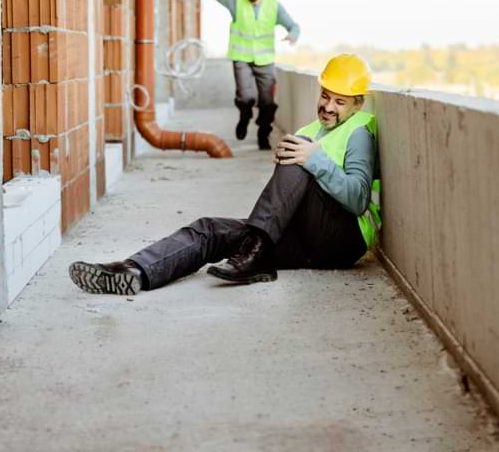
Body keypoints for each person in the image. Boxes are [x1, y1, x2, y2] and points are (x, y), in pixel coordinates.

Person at [68, 53, 381, 294]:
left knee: (299, 150)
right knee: (209, 231)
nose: (328, 106)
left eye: (339, 102)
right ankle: (133, 271)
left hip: (342, 240)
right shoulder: (312, 129)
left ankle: (254, 250)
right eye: (325, 96)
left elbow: (357, 200)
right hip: (304, 238)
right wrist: (292, 164)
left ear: (357, 103)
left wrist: (312, 160)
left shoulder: (358, 133)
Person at [206, 0, 300, 150]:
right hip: (241, 58)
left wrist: (293, 35)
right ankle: (244, 116)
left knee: (267, 103)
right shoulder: (235, 1)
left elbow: (293, 25)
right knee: (246, 97)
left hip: (265, 62)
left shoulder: (273, 6)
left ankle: (263, 134)